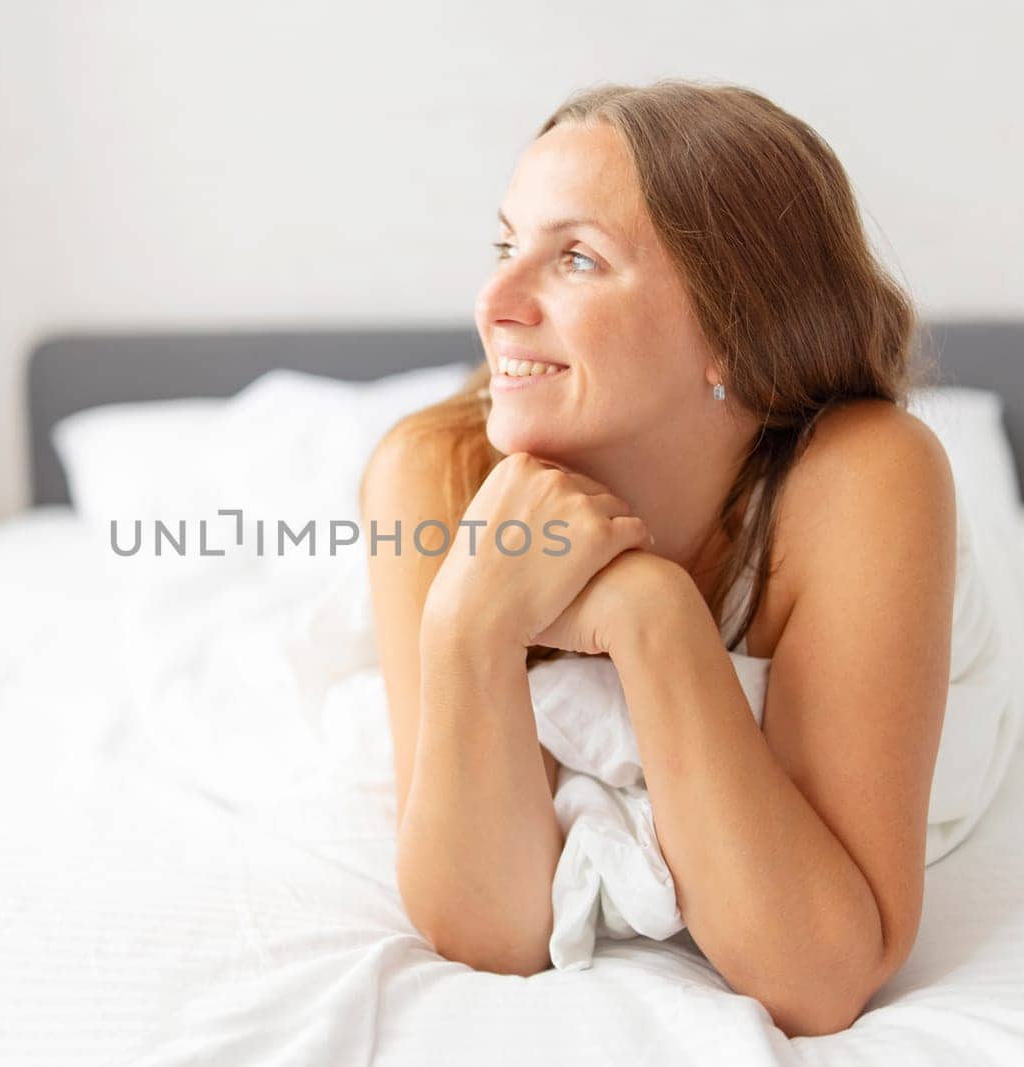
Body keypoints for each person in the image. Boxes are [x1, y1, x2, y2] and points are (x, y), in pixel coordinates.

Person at [359, 79, 955, 1039]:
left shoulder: (864, 472)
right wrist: (469, 625)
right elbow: (490, 936)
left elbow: (818, 977)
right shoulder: (431, 472)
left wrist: (653, 613)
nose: (496, 303)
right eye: (508, 246)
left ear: (731, 328)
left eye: (577, 259)